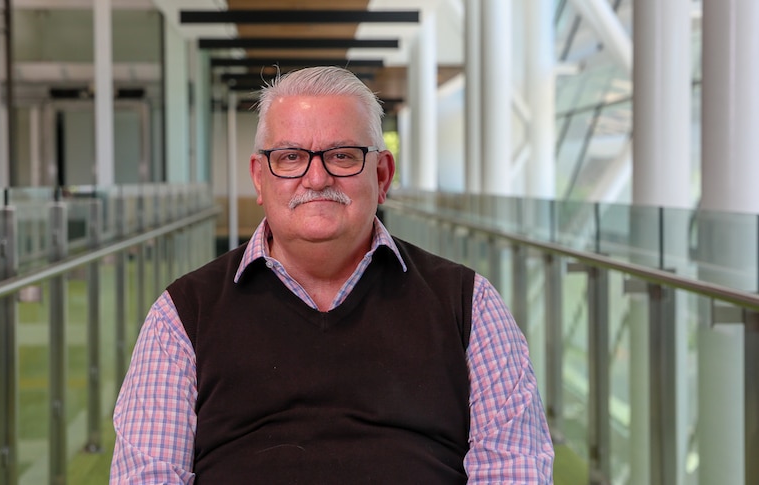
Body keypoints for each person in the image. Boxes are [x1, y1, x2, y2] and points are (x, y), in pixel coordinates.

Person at [109, 66, 554, 484]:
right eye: (290, 157)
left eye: (342, 156)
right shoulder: (183, 316)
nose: (316, 177)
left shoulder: (468, 305)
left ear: (382, 176)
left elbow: (515, 468)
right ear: (260, 179)